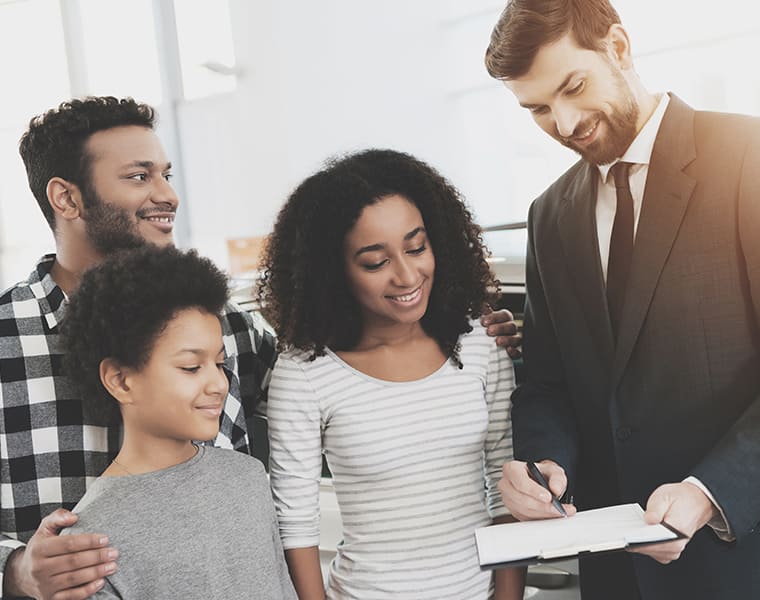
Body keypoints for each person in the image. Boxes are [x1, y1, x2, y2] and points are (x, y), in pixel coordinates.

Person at [0, 96, 518, 599]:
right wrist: (18, 571)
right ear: (66, 198)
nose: (167, 195)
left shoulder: (231, 331)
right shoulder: (6, 338)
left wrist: (471, 330)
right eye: (139, 177)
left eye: (166, 174)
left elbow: (354, 382)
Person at [484, 2, 760, 599]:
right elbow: (549, 384)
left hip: (752, 569)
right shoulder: (550, 214)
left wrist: (710, 492)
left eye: (573, 87)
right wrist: (544, 463)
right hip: (615, 577)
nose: (564, 122)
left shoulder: (751, 153)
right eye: (536, 108)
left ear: (619, 47)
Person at [258, 149, 526, 600]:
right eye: (375, 262)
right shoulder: (304, 372)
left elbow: (507, 492)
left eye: (417, 247)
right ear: (333, 272)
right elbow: (296, 526)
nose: (407, 275)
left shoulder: (480, 341)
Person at [58, 245, 296, 599]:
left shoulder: (247, 477)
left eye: (219, 364)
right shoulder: (89, 543)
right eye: (191, 367)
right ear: (121, 381)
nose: (218, 384)